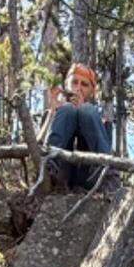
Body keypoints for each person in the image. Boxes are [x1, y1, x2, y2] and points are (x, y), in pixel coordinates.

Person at [42, 62, 111, 191]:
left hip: (91, 178)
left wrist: (82, 110)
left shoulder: (102, 121)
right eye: (74, 82)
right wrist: (53, 112)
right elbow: (38, 144)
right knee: (67, 110)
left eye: (84, 84)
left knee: (87, 111)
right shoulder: (54, 112)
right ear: (66, 85)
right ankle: (48, 172)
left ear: (92, 91)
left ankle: (107, 178)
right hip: (61, 176)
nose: (78, 88)